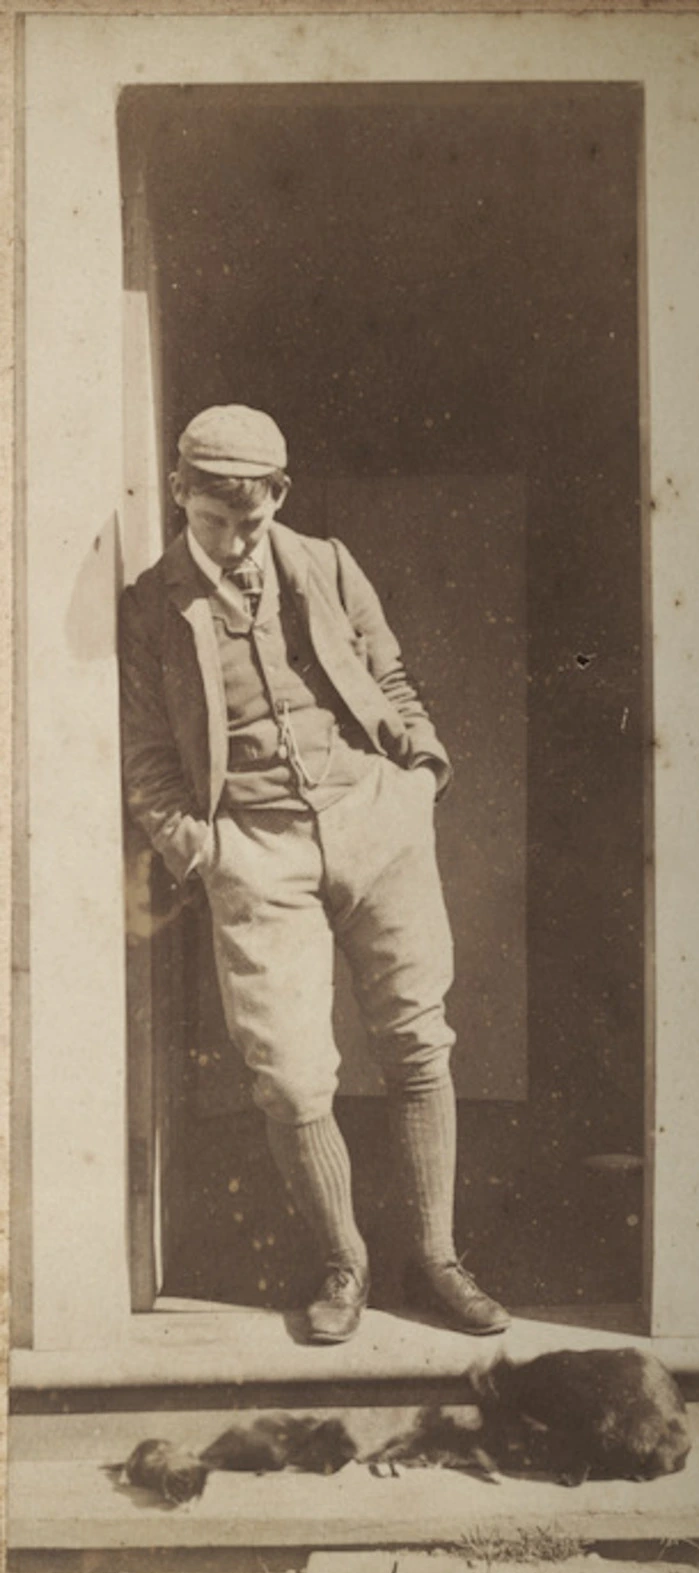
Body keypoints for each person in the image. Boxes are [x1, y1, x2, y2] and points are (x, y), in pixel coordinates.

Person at [119, 404, 510, 1344]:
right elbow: (144, 755)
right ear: (180, 493)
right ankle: (345, 1260)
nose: (236, 540)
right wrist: (196, 846)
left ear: (278, 497)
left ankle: (440, 1260)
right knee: (292, 1081)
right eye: (214, 520)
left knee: (419, 1043)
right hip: (253, 846)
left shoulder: (328, 565)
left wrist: (420, 775)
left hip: (375, 818)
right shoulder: (147, 606)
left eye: (252, 520)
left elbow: (392, 679)